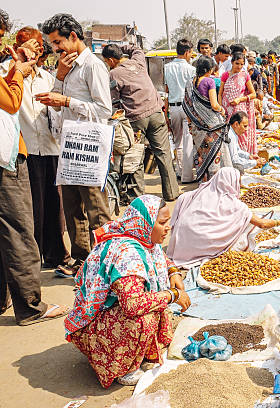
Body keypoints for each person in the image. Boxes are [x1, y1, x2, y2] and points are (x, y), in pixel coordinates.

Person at [65, 195, 191, 387]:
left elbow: (160, 258)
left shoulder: (143, 239)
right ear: (145, 223)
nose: (168, 228)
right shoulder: (128, 254)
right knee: (144, 316)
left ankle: (137, 352)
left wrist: (173, 272)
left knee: (157, 305)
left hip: (115, 310)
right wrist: (172, 295)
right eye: (163, 222)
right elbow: (132, 305)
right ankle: (121, 367)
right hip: (96, 323)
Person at [0, 9, 69, 325]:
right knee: (20, 228)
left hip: (36, 149)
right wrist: (16, 70)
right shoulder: (12, 69)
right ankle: (29, 306)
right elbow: (13, 104)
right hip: (10, 156)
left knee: (43, 212)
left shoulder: (41, 73)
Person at [38, 14, 113, 277]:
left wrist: (68, 102)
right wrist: (59, 78)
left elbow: (104, 110)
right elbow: (58, 99)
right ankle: (82, 260)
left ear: (73, 36)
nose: (55, 49)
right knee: (71, 209)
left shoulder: (92, 66)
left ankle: (108, 262)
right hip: (69, 146)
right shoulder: (65, 66)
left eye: (58, 42)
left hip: (90, 147)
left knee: (96, 208)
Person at [167, 168, 280, 267]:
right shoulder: (234, 205)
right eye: (238, 182)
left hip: (180, 245)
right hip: (199, 245)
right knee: (245, 231)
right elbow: (262, 224)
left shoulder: (193, 194)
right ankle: (210, 250)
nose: (239, 186)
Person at [103, 43, 180, 202]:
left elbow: (115, 101)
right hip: (156, 113)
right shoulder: (138, 61)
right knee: (163, 153)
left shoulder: (114, 74)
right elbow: (136, 48)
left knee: (136, 155)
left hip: (136, 119)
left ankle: (138, 197)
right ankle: (171, 193)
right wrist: (120, 48)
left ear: (111, 60)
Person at [163, 39, 196, 182]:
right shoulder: (191, 69)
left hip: (173, 106)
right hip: (188, 107)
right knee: (188, 141)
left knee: (178, 141)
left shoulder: (167, 68)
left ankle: (180, 170)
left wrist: (166, 113)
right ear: (187, 52)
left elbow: (166, 91)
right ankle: (187, 176)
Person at [219, 52, 257, 154]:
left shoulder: (245, 75)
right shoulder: (225, 75)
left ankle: (243, 156)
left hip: (240, 109)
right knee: (229, 133)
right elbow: (220, 93)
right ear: (232, 62)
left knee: (241, 132)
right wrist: (220, 109)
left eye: (241, 64)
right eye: (237, 63)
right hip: (227, 110)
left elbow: (253, 94)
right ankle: (232, 156)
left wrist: (240, 100)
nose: (239, 66)